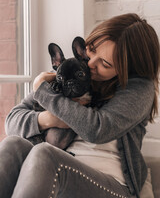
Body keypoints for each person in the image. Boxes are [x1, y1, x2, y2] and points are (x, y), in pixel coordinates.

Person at [0, 13, 160, 198]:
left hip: (111, 185)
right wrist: (47, 119)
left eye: (105, 63)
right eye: (91, 50)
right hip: (61, 166)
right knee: (13, 144)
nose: (91, 63)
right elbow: (11, 122)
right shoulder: (74, 71)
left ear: (126, 69)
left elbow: (97, 129)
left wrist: (43, 91)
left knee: (45, 154)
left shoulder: (138, 89)